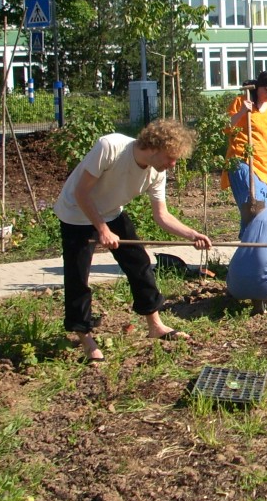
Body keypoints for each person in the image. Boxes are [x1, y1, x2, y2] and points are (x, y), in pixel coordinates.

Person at [54, 119, 213, 363]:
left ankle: (155, 325)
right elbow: (81, 192)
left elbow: (162, 216)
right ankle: (84, 336)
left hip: (111, 212)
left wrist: (191, 234)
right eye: (171, 158)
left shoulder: (155, 173)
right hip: (76, 212)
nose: (172, 165)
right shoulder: (110, 147)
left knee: (139, 263)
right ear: (154, 147)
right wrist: (102, 230)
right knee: (78, 276)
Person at [221, 69, 267, 233]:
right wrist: (242, 111)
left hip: (266, 165)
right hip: (243, 160)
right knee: (254, 208)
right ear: (258, 87)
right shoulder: (241, 101)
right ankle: (249, 245)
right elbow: (226, 128)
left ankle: (259, 248)